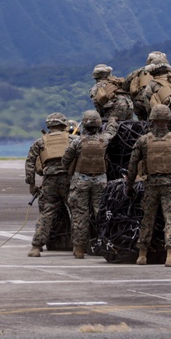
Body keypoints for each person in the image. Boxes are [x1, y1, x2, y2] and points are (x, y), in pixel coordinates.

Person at [125, 104, 171, 267]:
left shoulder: (143, 141)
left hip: (150, 185)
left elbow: (132, 166)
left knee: (147, 218)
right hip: (170, 184)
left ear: (152, 120)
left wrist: (128, 186)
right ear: (168, 120)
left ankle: (142, 255)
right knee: (170, 219)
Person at [61, 110, 117, 259]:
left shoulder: (77, 142)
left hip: (80, 180)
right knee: (101, 213)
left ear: (84, 124)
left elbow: (65, 160)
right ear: (99, 124)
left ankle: (79, 249)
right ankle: (104, 243)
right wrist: (112, 119)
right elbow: (112, 130)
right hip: (100, 180)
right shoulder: (104, 140)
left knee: (80, 215)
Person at [24, 112, 73, 257]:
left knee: (46, 214)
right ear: (64, 125)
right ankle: (79, 247)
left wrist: (31, 184)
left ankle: (36, 247)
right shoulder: (73, 139)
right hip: (69, 181)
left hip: (49, 181)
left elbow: (30, 164)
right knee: (77, 213)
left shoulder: (40, 142)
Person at [124, 51, 169, 121]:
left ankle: (143, 122)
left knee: (137, 98)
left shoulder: (142, 71)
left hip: (148, 104)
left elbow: (125, 85)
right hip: (167, 102)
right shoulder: (170, 72)